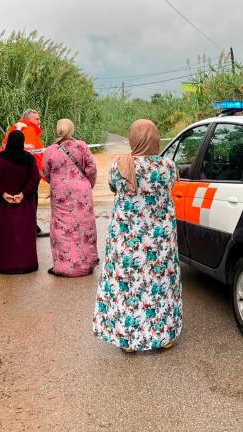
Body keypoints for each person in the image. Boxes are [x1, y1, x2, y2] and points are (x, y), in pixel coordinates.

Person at [93, 119, 182, 353]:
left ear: (133, 138)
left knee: (127, 285)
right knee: (160, 284)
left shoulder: (120, 165)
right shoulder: (168, 166)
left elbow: (113, 187)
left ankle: (128, 340)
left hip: (127, 239)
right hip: (159, 240)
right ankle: (163, 337)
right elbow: (170, 186)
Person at [42, 119, 99, 277]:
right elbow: (91, 168)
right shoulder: (81, 146)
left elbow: (44, 172)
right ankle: (87, 263)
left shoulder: (50, 150)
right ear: (72, 130)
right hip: (82, 191)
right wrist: (87, 184)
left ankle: (64, 266)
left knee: (62, 228)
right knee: (84, 226)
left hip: (60, 193)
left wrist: (56, 182)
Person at [0, 130, 41, 274]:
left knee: (5, 235)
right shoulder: (29, 159)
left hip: (4, 205)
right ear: (22, 142)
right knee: (23, 235)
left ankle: (3, 265)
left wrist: (3, 194)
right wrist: (23, 194)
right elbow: (35, 178)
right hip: (24, 205)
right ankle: (25, 264)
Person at [2, 109, 48, 237]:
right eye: (37, 119)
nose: (39, 121)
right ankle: (30, 229)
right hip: (28, 173)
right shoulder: (30, 130)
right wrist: (42, 173)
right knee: (32, 201)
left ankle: (29, 227)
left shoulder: (15, 127)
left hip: (12, 172)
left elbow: (4, 148)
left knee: (19, 200)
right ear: (29, 119)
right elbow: (33, 155)